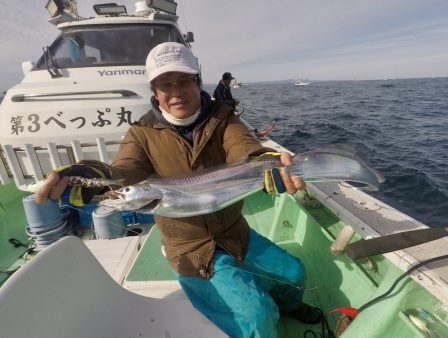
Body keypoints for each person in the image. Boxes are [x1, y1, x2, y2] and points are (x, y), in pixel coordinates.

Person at [35, 42, 321, 337]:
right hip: (190, 248)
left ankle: (289, 305)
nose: (176, 92)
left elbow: (242, 146)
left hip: (235, 232)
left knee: (295, 274)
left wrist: (261, 160)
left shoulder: (222, 119)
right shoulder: (141, 134)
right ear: (155, 91)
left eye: (184, 81)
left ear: (197, 82)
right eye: (164, 84)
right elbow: (125, 171)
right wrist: (95, 177)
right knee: (255, 318)